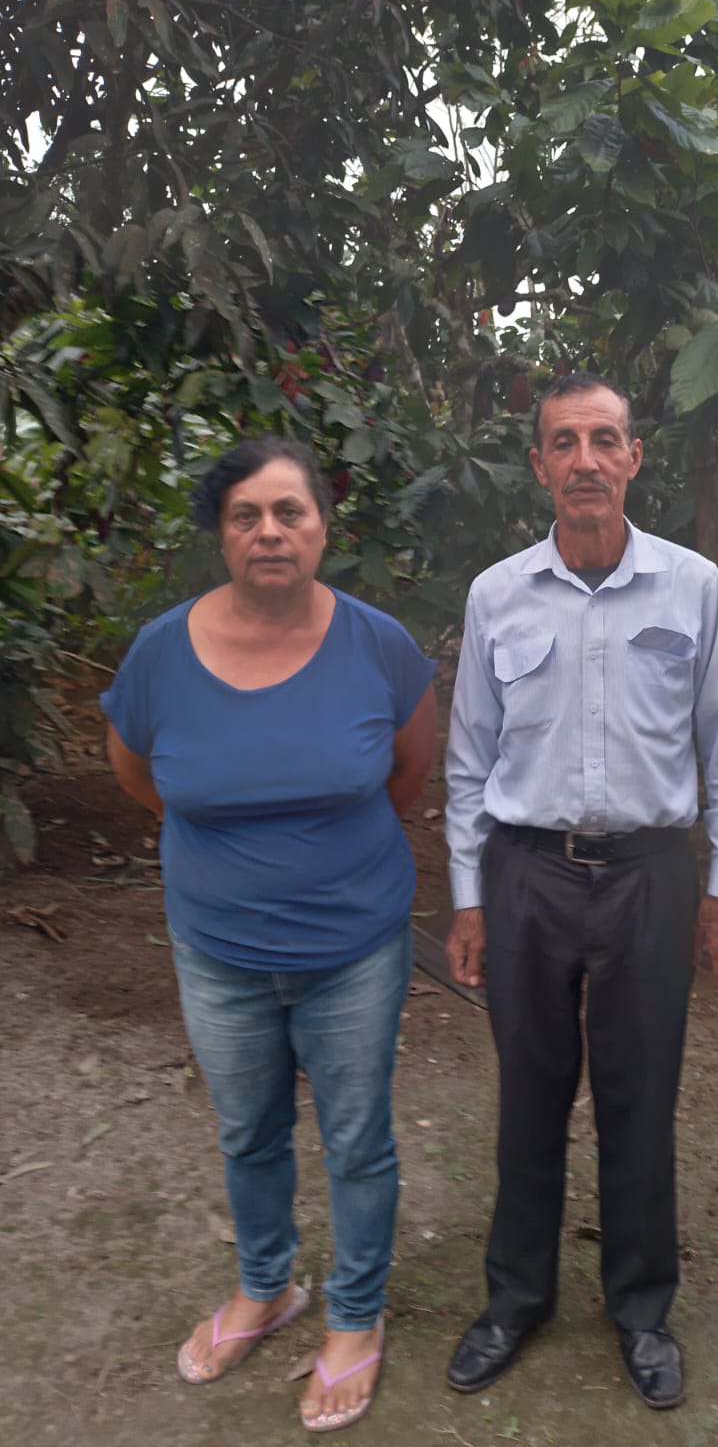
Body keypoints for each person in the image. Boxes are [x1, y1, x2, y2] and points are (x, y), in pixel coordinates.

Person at [102, 437, 436, 1435]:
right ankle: (267, 1286)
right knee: (247, 1129)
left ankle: (356, 1313)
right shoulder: (161, 653)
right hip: (218, 951)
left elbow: (408, 773)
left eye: (291, 511)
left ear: (323, 527)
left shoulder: (378, 645)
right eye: (246, 515)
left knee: (357, 1138)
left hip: (355, 950)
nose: (270, 531)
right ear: (221, 534)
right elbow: (137, 773)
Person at [442, 371, 718, 1410]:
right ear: (539, 464)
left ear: (633, 457)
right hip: (526, 872)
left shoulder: (692, 586)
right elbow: (468, 760)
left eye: (604, 439)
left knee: (641, 1095)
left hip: (650, 876)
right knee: (528, 1093)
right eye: (565, 442)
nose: (585, 460)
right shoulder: (497, 594)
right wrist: (468, 897)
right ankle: (516, 1298)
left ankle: (641, 1307)